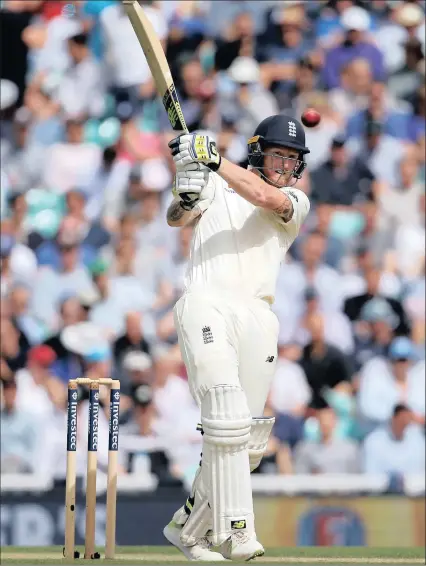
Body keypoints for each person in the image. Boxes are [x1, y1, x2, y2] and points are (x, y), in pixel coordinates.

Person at [162, 114, 310, 561]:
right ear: (259, 150)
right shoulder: (217, 182)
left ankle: (187, 529)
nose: (284, 165)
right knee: (224, 411)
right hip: (208, 299)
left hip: (259, 316)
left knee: (247, 444)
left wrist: (213, 158)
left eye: (291, 158)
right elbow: (176, 218)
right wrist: (187, 192)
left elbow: (263, 196)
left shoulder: (294, 200)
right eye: (277, 154)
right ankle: (239, 531)